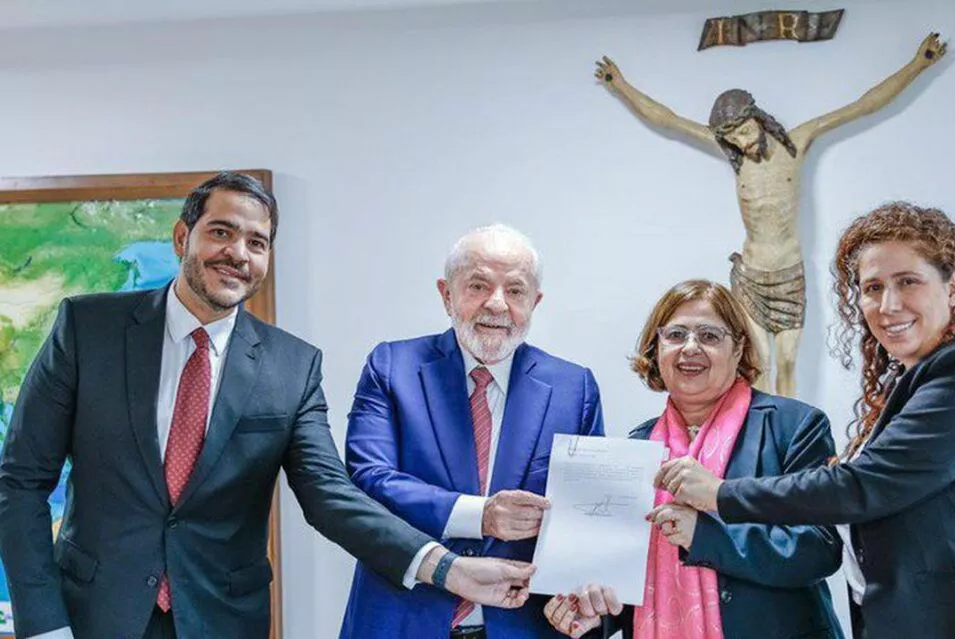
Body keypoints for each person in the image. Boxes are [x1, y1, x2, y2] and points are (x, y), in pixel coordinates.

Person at [0, 173, 534, 639]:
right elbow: (21, 482)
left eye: (257, 242)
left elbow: (330, 498)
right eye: (221, 232)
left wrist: (445, 568)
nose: (238, 253)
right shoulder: (88, 329)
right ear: (183, 236)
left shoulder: (291, 366)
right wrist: (44, 625)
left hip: (221, 620)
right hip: (89, 616)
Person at [655, 203, 955, 638]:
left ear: (953, 287)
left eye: (908, 281)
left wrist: (720, 494)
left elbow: (863, 487)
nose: (888, 305)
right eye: (872, 287)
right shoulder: (912, 383)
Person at [593, 33, 947, 397]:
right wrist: (620, 86)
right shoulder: (736, 156)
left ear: (758, 118)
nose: (743, 142)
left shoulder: (797, 143)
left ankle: (790, 429)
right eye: (733, 138)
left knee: (789, 361)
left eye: (745, 131)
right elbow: (669, 120)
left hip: (788, 273)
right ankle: (761, 430)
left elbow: (861, 106)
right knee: (759, 364)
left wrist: (918, 64)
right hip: (752, 275)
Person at [338, 224, 605, 639]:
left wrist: (590, 597)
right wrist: (482, 515)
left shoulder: (575, 388)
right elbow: (368, 481)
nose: (497, 304)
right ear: (446, 294)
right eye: (478, 286)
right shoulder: (391, 367)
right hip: (402, 620)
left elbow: (587, 517)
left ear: (534, 302)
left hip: (528, 626)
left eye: (515, 291)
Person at [544, 280, 842, 639]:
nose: (690, 348)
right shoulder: (637, 446)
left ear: (738, 348)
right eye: (675, 335)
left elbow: (819, 549)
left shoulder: (793, 427)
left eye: (709, 336)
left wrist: (704, 535)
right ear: (656, 348)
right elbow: (630, 578)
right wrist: (596, 615)